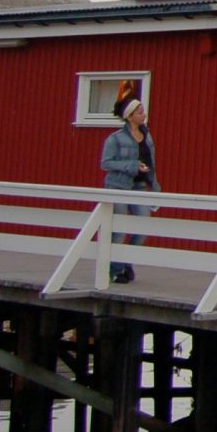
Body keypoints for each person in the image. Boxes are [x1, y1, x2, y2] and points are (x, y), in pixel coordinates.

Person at [99, 84, 158, 284]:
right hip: (118, 187)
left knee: (142, 226)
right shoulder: (115, 139)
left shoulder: (147, 136)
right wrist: (131, 166)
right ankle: (115, 270)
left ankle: (126, 262)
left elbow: (151, 161)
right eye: (140, 112)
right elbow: (106, 163)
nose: (144, 114)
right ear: (130, 116)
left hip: (139, 187)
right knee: (119, 230)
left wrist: (154, 185)